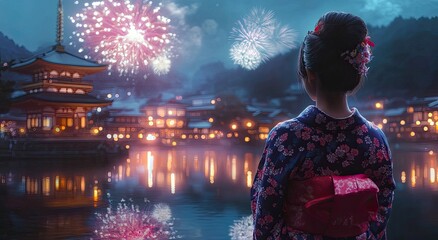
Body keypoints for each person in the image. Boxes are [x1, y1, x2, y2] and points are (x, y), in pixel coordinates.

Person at [251, 12, 395, 240]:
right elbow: (382, 206)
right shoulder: (375, 139)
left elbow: (265, 214)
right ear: (357, 72)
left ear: (310, 74)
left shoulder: (287, 137)